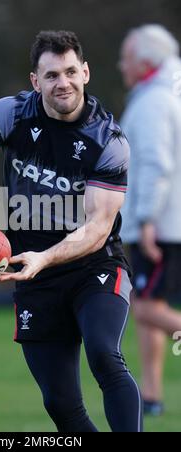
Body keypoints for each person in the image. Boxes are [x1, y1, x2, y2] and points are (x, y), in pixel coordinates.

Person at [0, 30, 142, 432]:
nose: (61, 83)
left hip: (94, 265)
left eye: (69, 72)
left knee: (104, 356)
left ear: (85, 72)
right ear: (35, 81)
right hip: (32, 275)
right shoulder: (12, 113)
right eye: (50, 75)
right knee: (60, 403)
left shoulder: (108, 140)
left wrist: (45, 257)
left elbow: (97, 228)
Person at [119, 24, 181, 416]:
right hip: (166, 221)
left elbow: (155, 163)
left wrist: (146, 219)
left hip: (160, 225)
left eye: (125, 57)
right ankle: (152, 395)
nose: (120, 65)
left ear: (144, 62)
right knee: (147, 301)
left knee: (144, 309)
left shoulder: (154, 102)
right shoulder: (163, 94)